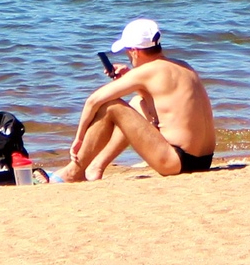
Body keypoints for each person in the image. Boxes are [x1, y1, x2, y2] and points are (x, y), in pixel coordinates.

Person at [63, 18, 218, 179]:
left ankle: (74, 172)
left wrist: (79, 138)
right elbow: (158, 102)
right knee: (137, 103)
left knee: (111, 106)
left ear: (134, 51)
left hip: (176, 161)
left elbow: (93, 101)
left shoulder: (147, 72)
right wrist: (132, 78)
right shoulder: (182, 65)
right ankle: (96, 167)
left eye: (127, 52)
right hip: (203, 160)